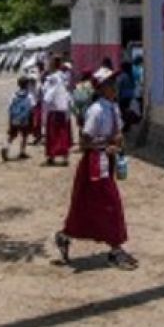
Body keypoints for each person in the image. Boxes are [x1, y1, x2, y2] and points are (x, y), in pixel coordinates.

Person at [55, 66, 137, 270]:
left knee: (89, 205)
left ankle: (66, 235)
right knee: (110, 203)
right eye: (110, 84)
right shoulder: (96, 110)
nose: (114, 87)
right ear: (100, 89)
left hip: (105, 162)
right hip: (94, 163)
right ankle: (115, 249)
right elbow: (84, 142)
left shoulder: (112, 107)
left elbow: (116, 134)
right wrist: (104, 146)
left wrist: (117, 142)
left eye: (114, 83)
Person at [41, 54, 73, 165]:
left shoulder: (52, 78)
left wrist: (45, 107)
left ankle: (52, 156)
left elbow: (48, 95)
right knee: (62, 132)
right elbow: (67, 92)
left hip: (54, 109)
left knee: (53, 134)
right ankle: (65, 157)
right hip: (63, 108)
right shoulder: (63, 77)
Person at [2, 75, 36, 161]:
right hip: (24, 119)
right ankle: (22, 152)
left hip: (14, 118)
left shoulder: (14, 95)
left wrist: (10, 119)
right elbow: (32, 108)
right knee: (24, 136)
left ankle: (6, 147)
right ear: (27, 85)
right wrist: (32, 120)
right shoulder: (29, 95)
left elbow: (10, 108)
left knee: (11, 135)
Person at [116, 60, 139, 132]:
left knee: (121, 112)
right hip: (129, 97)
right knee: (126, 110)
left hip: (122, 97)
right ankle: (127, 125)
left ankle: (123, 127)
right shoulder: (130, 76)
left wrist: (116, 96)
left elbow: (118, 86)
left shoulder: (122, 76)